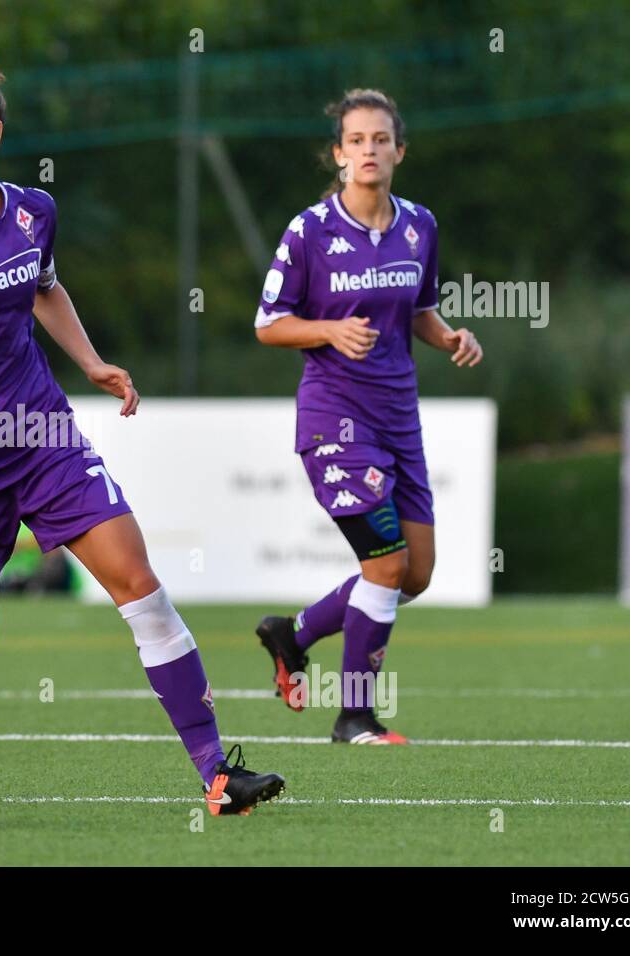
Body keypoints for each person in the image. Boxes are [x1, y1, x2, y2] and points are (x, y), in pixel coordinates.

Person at [0, 51, 285, 813]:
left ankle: (216, 773)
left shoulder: (33, 211)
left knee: (139, 586)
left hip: (40, 432)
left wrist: (94, 363)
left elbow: (44, 287)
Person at [252, 89, 483, 744]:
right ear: (339, 154)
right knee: (385, 567)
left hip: (398, 418)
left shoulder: (420, 226)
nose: (368, 151)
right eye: (355, 141)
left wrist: (451, 338)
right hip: (335, 420)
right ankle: (355, 716)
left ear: (399, 151)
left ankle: (292, 634)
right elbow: (269, 325)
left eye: (380, 139)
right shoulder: (310, 231)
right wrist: (326, 329)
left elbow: (419, 313)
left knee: (416, 574)